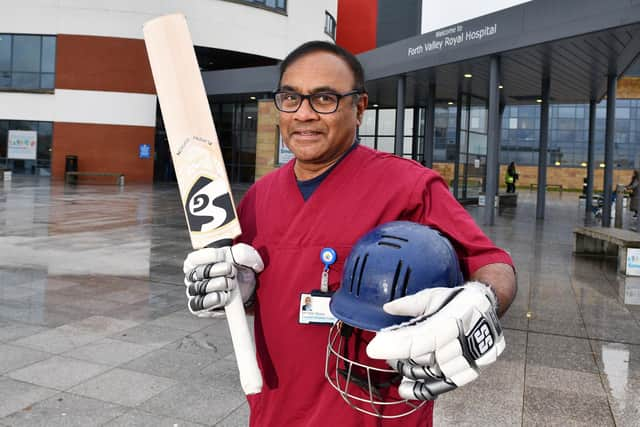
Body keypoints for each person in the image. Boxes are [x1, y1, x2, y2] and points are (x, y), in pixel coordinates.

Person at [182, 41, 517, 427]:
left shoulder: (408, 186)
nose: (303, 114)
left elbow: (491, 262)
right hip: (275, 411)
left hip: (373, 413)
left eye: (324, 98)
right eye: (290, 97)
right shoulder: (260, 196)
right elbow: (256, 288)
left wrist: (482, 299)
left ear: (359, 108)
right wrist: (239, 294)